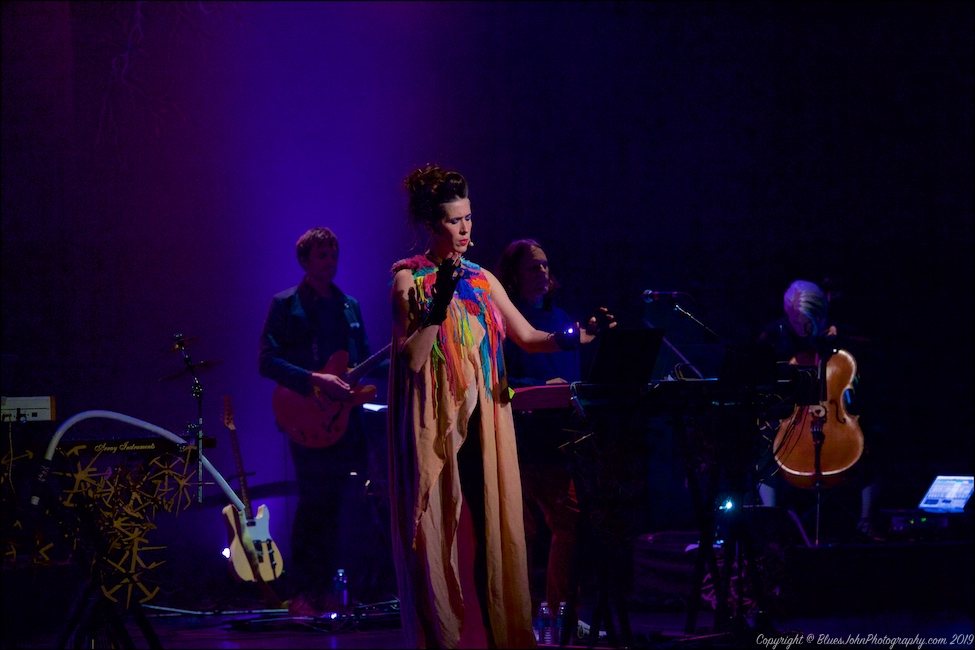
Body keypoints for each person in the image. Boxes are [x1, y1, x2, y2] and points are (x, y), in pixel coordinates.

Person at [387, 164, 612, 649]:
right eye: (453, 220)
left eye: (469, 218)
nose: (465, 229)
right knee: (438, 535)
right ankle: (445, 637)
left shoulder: (484, 279)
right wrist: (438, 303)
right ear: (432, 224)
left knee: (492, 532)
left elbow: (527, 337)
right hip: (436, 429)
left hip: (484, 423)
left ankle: (497, 636)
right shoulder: (411, 282)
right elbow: (411, 358)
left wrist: (580, 336)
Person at [258, 226, 374, 615]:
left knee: (343, 504)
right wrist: (312, 379)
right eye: (322, 255)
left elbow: (366, 359)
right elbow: (266, 360)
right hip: (306, 416)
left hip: (345, 421)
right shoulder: (285, 304)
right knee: (312, 504)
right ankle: (305, 591)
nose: (330, 261)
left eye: (334, 254)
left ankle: (335, 591)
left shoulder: (350, 305)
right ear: (305, 260)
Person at [494, 239, 583, 621]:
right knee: (521, 532)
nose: (543, 273)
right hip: (517, 439)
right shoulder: (504, 320)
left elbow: (573, 377)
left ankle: (557, 611)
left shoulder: (561, 318)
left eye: (545, 266)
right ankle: (520, 615)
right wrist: (534, 388)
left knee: (570, 521)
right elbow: (499, 381)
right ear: (514, 276)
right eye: (533, 267)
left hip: (555, 440)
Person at [754, 279, 879, 540]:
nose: (802, 328)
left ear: (820, 313)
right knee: (764, 449)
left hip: (837, 415)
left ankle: (867, 521)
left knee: (873, 440)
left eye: (807, 321)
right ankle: (772, 523)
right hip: (793, 416)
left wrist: (839, 339)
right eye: (795, 320)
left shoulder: (838, 333)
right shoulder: (775, 334)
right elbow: (760, 376)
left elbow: (876, 346)